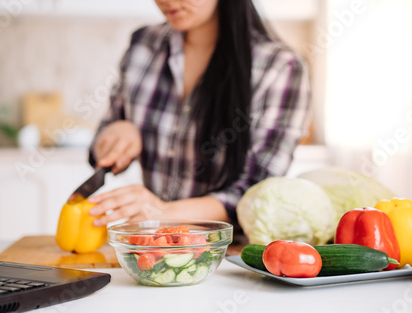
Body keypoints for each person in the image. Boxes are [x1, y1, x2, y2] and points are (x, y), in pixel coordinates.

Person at [87, 0, 310, 228]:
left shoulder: (280, 68)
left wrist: (164, 212)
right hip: (153, 247)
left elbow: (257, 193)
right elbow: (104, 138)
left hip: (226, 254)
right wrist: (115, 135)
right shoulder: (144, 44)